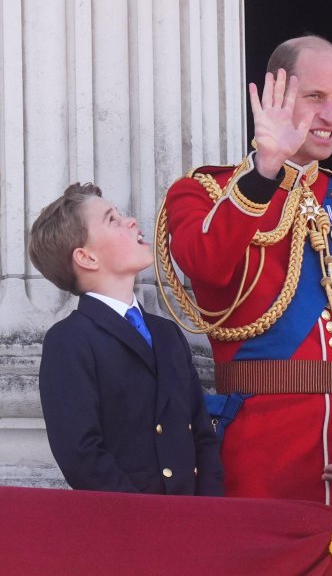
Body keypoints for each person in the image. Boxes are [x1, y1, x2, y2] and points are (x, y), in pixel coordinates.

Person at [158, 35, 332, 506]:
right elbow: (205, 265)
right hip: (257, 455)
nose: (331, 115)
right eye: (315, 97)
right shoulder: (204, 191)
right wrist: (265, 170)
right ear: (274, 95)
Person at [31, 182, 222, 495]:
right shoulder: (69, 340)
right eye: (112, 219)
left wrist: (208, 511)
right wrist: (143, 518)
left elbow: (201, 433)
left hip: (193, 520)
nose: (131, 221)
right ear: (87, 257)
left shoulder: (167, 333)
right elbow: (82, 455)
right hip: (129, 526)